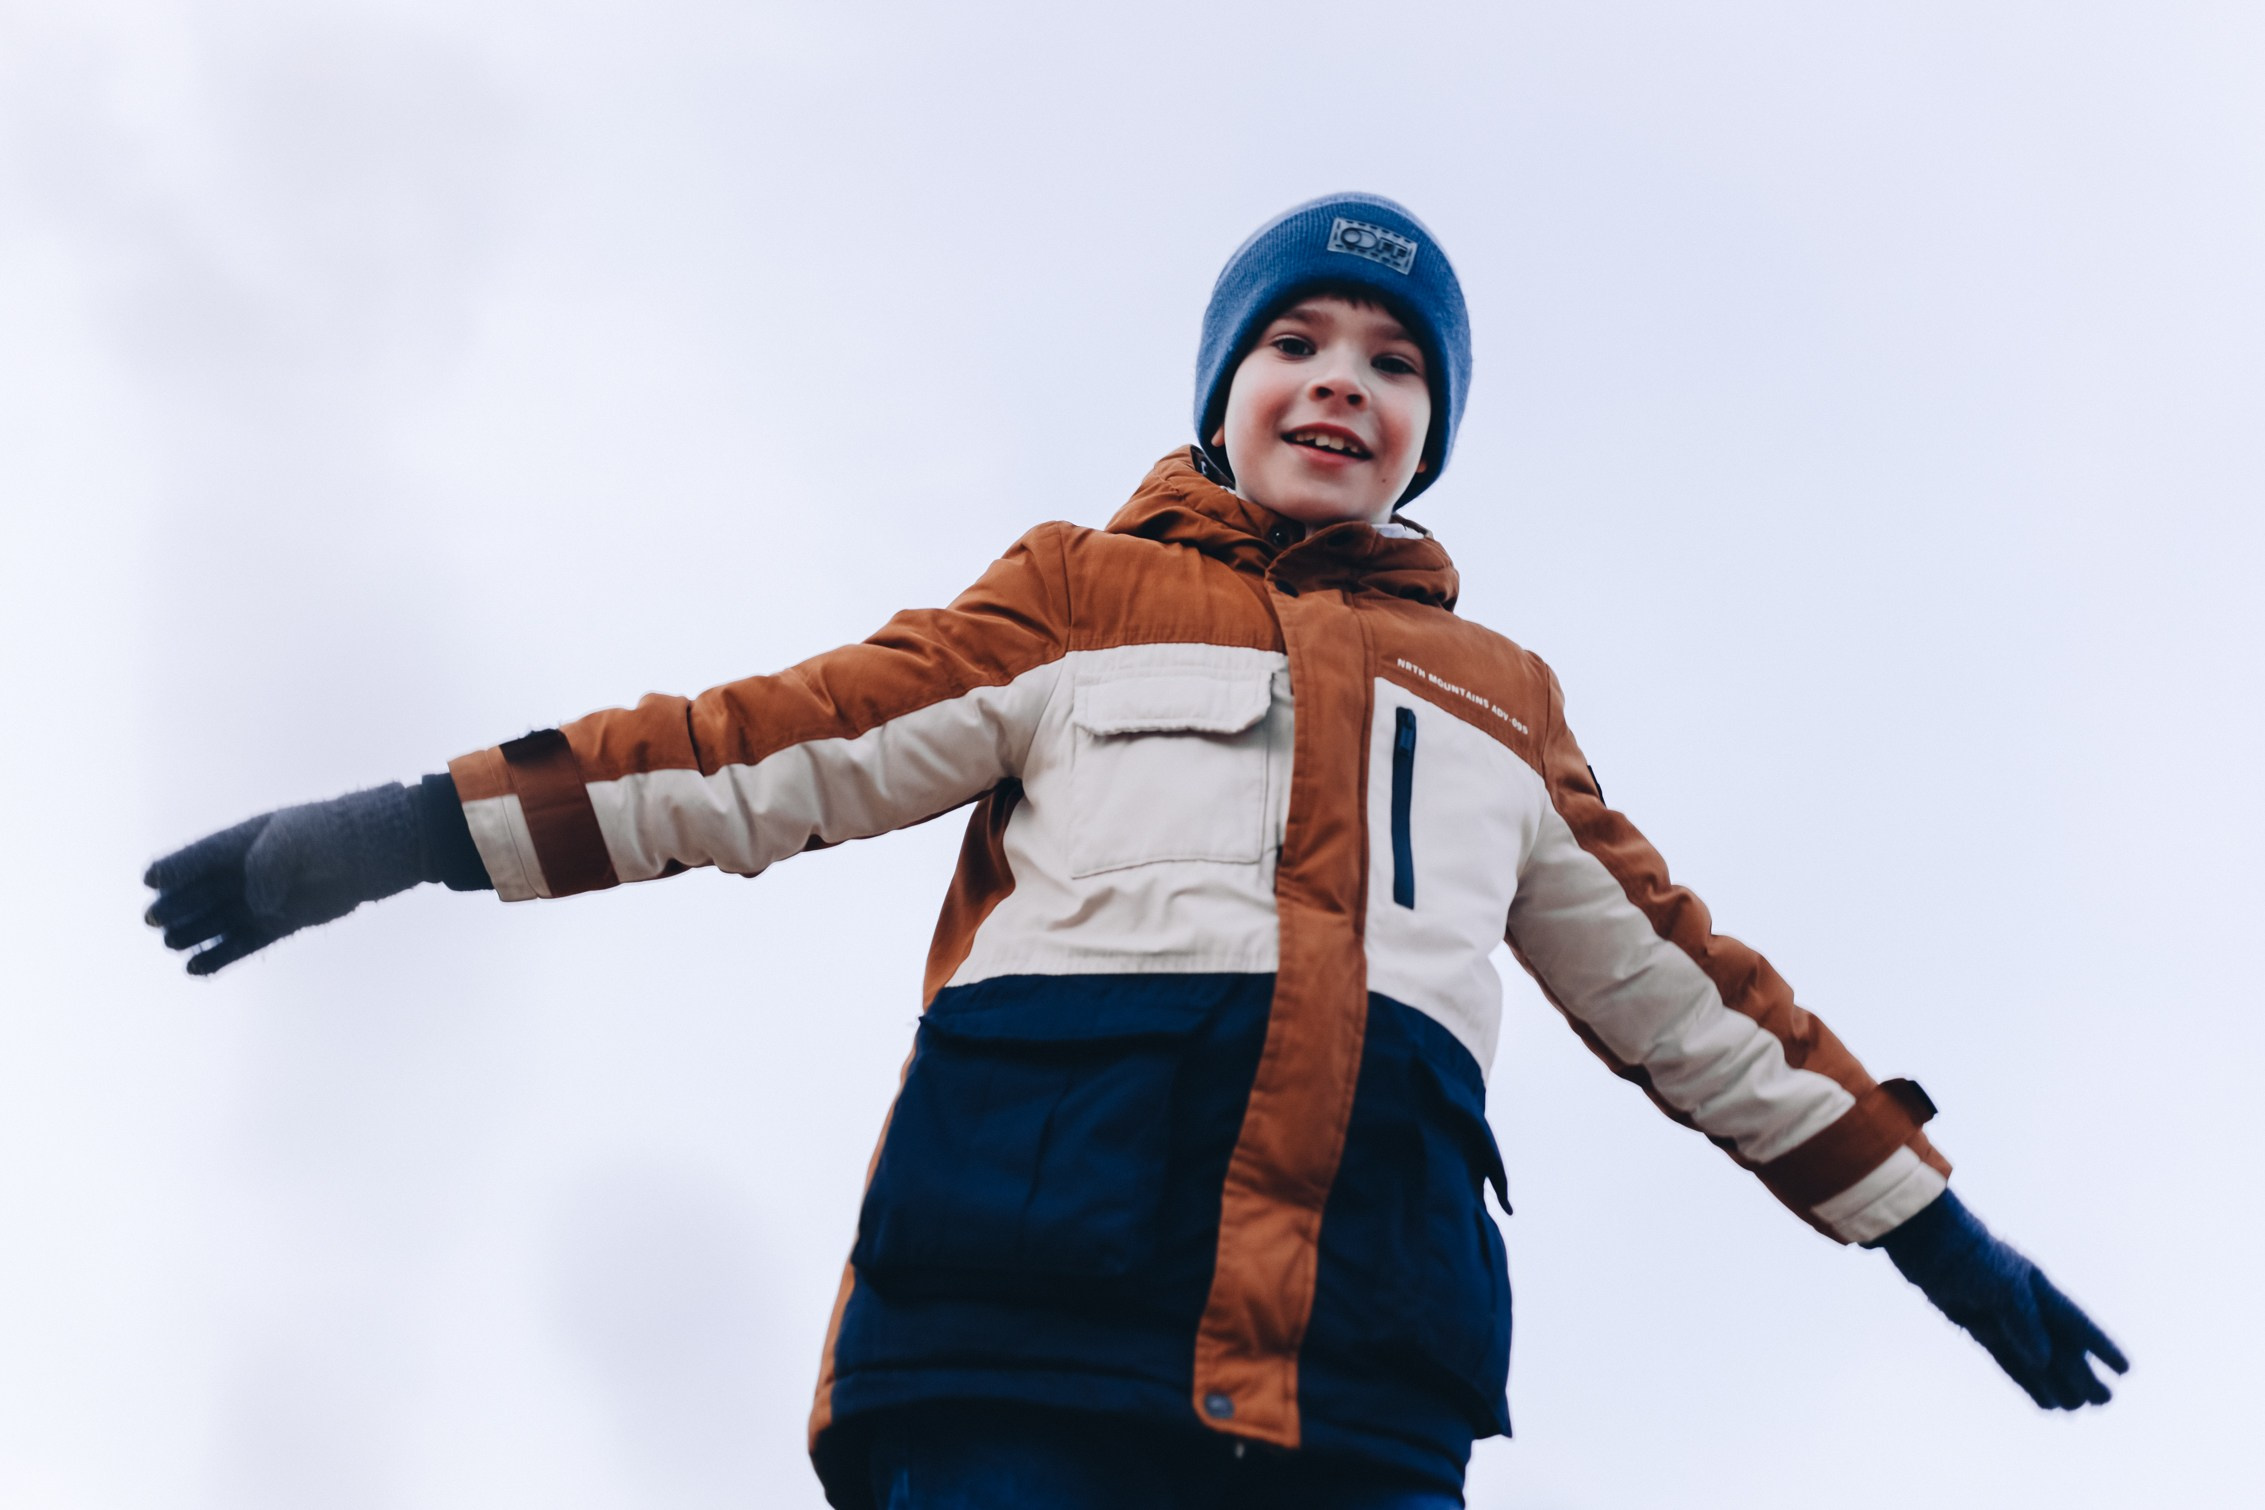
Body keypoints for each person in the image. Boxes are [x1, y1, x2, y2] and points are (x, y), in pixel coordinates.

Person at [143, 193, 2126, 1509]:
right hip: (1023, 1330)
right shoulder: (1076, 599)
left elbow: (1692, 995)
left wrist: (1931, 1233)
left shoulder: (1501, 698)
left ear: (1426, 431)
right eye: (1298, 339)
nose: (1342, 376)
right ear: (1225, 390)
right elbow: (766, 749)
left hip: (1356, 1377)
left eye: (1393, 357)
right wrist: (407, 830)